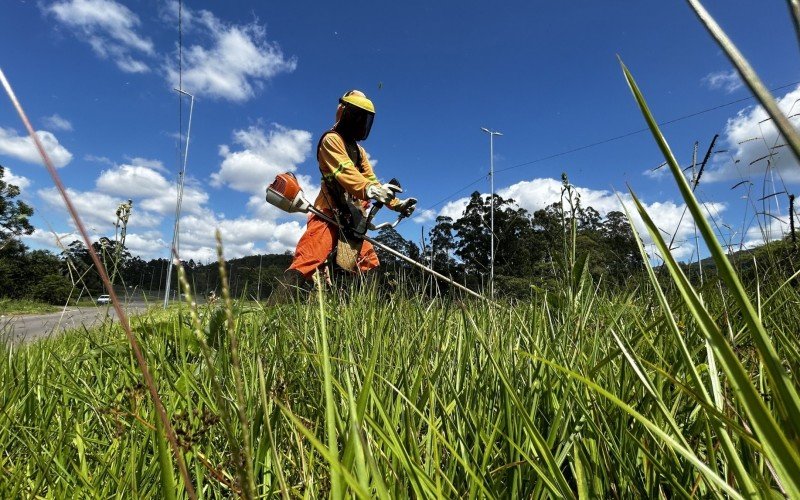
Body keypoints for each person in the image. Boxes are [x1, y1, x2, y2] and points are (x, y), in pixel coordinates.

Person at [286, 90, 416, 284]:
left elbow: (371, 179)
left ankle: (371, 308)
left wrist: (397, 204)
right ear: (343, 111)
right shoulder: (331, 140)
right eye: (356, 115)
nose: (359, 122)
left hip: (353, 219)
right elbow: (345, 173)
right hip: (327, 214)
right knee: (309, 258)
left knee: (368, 264)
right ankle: (274, 308)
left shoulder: (359, 151)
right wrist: (370, 190)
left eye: (363, 118)